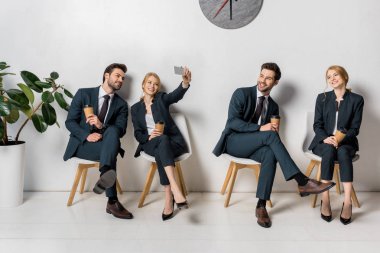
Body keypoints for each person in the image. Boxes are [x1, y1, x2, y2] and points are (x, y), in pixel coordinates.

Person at [213, 62, 335, 228]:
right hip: (234, 142)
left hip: (255, 146)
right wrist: (261, 128)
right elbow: (233, 122)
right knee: (269, 136)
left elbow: (271, 137)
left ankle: (261, 205)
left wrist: (272, 131)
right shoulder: (242, 93)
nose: (263, 80)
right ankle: (301, 180)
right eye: (262, 75)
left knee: (270, 153)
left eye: (268, 78)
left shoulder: (273, 106)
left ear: (275, 82)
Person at [63, 63, 133, 219]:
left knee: (113, 131)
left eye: (123, 78)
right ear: (106, 75)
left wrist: (101, 125)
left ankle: (109, 187)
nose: (121, 80)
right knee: (110, 152)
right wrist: (86, 135)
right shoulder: (83, 94)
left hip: (105, 145)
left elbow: (121, 131)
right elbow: (70, 122)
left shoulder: (121, 105)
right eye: (117, 76)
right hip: (83, 145)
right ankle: (112, 201)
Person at [131, 68, 191, 221]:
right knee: (159, 143)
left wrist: (185, 82)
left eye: (156, 84)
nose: (152, 86)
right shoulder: (135, 108)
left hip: (171, 142)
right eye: (149, 83)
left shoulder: (161, 99)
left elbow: (175, 95)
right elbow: (137, 133)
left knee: (162, 142)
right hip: (149, 143)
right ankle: (175, 189)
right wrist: (148, 136)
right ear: (143, 85)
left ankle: (169, 197)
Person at [309, 65, 364, 225]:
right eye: (329, 76)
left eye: (336, 75)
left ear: (344, 77)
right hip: (323, 141)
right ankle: (325, 199)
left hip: (346, 142)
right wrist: (326, 138)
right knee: (328, 150)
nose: (332, 79)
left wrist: (339, 139)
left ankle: (347, 202)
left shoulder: (357, 100)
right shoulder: (322, 98)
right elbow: (317, 125)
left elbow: (355, 128)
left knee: (343, 153)